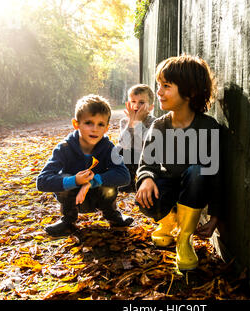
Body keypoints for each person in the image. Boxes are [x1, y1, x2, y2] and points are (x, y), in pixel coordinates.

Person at [135, 54, 221, 271]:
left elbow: (217, 176)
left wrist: (216, 216)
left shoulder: (208, 128)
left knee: (199, 171)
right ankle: (168, 222)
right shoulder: (159, 126)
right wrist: (145, 179)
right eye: (159, 85)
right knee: (147, 191)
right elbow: (146, 163)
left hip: (192, 192)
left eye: (166, 86)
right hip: (168, 186)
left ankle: (184, 239)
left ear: (190, 92)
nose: (160, 92)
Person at [36, 94, 134, 237]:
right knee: (63, 177)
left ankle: (112, 215)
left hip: (99, 196)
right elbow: (42, 181)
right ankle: (68, 220)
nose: (95, 129)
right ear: (76, 124)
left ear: (106, 128)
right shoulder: (64, 148)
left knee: (110, 178)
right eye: (89, 123)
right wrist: (74, 181)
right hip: (74, 198)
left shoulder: (107, 148)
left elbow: (124, 176)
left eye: (100, 124)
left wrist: (93, 181)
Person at [118, 84, 156, 193]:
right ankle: (128, 181)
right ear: (128, 104)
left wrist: (138, 123)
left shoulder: (154, 122)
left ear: (151, 107)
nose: (136, 106)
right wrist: (131, 123)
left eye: (141, 102)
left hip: (147, 157)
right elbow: (124, 144)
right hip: (131, 157)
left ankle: (143, 180)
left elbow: (148, 142)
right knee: (120, 149)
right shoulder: (125, 121)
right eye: (133, 102)